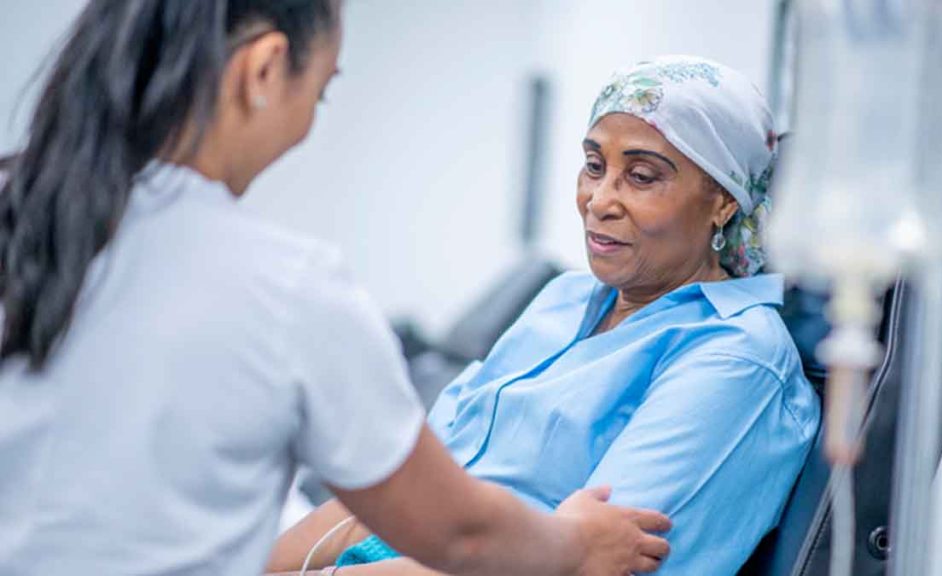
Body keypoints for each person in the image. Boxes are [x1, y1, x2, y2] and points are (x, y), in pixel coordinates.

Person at [0, 1, 672, 575]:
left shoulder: (16, 206)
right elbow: (461, 532)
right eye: (318, 91)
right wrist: (576, 542)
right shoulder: (286, 289)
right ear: (263, 71)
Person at [270, 56, 821, 576]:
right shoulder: (564, 298)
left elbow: (591, 562)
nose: (599, 200)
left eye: (642, 176)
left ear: (723, 200)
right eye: (594, 166)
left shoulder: (735, 356)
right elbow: (405, 496)